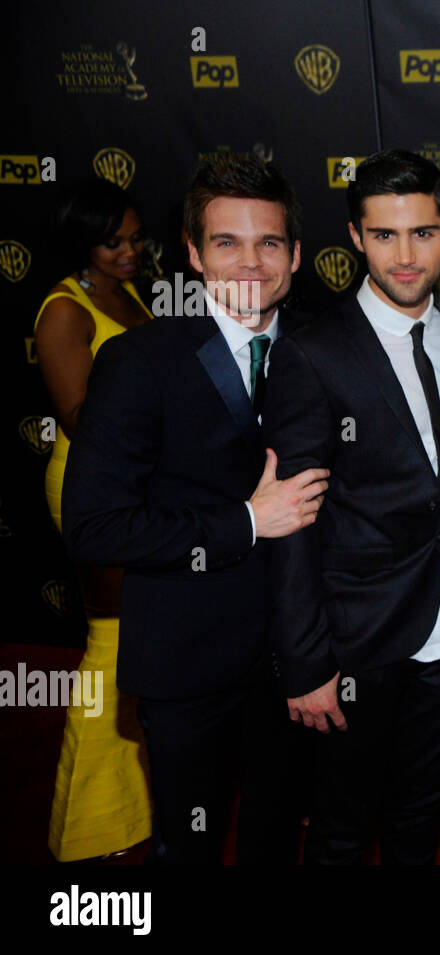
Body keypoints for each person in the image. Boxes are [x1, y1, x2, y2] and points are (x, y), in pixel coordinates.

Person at [61, 156, 324, 864]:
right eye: (227, 242)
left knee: (275, 840)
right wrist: (246, 520)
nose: (250, 262)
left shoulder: (321, 350)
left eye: (269, 242)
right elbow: (92, 525)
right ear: (193, 251)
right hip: (187, 666)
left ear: (296, 254)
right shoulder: (139, 361)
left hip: (296, 664)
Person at [263, 149, 440, 864]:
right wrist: (305, 664)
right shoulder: (313, 354)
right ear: (355, 236)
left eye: (423, 233)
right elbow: (290, 524)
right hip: (354, 644)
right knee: (343, 833)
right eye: (385, 235)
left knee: (419, 824)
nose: (406, 256)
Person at [34, 178, 152, 861]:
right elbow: (79, 415)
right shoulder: (64, 309)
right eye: (113, 242)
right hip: (94, 488)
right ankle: (89, 826)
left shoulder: (124, 293)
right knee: (109, 645)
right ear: (85, 242)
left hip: (138, 486)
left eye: (136, 239)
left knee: (136, 646)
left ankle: (131, 807)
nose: (129, 251)